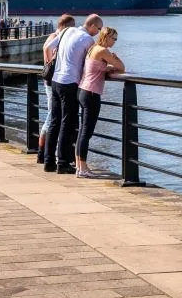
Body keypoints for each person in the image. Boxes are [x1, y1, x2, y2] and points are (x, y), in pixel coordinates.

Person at [43, 14, 103, 174]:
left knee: (55, 121)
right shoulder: (88, 40)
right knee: (66, 123)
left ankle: (48, 162)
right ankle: (62, 163)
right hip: (70, 83)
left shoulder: (67, 31)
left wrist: (53, 65)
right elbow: (90, 63)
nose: (98, 32)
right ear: (92, 26)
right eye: (98, 29)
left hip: (55, 80)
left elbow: (48, 47)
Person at [76, 27, 124, 177]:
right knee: (86, 132)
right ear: (107, 37)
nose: (115, 41)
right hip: (91, 93)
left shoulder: (93, 48)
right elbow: (122, 68)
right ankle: (83, 169)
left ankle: (80, 167)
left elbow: (96, 67)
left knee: (82, 131)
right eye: (114, 39)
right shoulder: (104, 51)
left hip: (82, 90)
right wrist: (115, 59)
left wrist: (106, 67)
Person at [36, 14, 76, 164]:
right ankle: (42, 153)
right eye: (73, 25)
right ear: (67, 25)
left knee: (52, 115)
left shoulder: (57, 35)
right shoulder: (57, 35)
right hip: (52, 80)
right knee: (52, 116)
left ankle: (44, 153)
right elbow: (47, 47)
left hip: (51, 80)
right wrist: (50, 62)